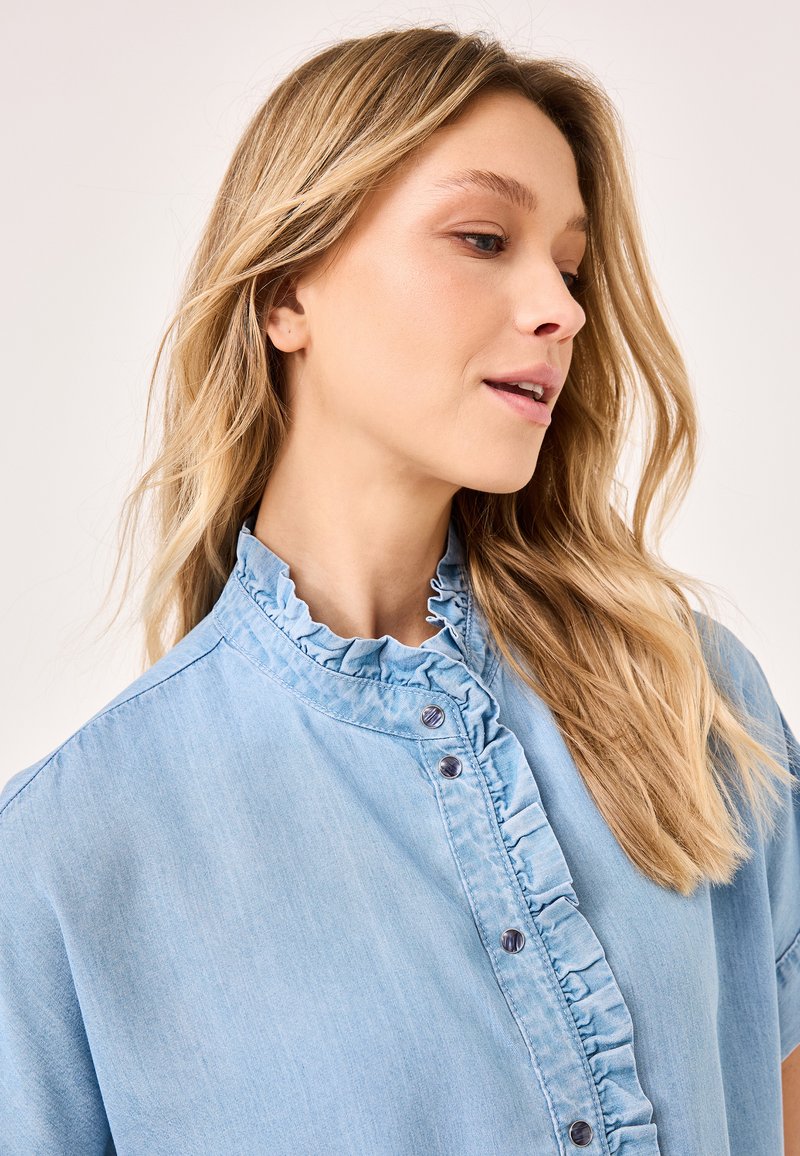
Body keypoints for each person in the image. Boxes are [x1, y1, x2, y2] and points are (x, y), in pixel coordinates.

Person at [1, 25, 797, 1156]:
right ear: (286, 293)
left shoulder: (688, 698)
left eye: (569, 268)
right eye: (483, 239)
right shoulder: (66, 858)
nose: (562, 309)